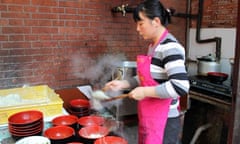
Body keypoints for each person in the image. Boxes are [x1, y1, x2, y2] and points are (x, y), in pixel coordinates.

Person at [105, 0, 190, 144]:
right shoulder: (153, 47)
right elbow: (145, 78)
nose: (137, 29)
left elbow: (180, 86)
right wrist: (122, 84)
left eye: (141, 23)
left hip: (165, 122)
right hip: (149, 116)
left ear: (156, 21)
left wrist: (144, 92)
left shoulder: (170, 47)